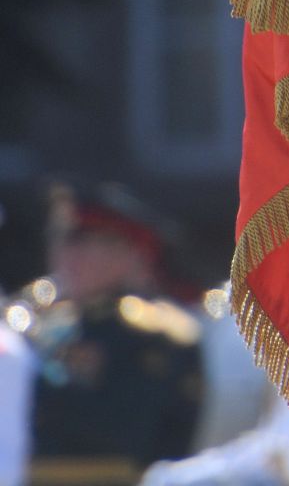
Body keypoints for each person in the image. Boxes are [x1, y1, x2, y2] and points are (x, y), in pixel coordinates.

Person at [15, 182, 204, 485]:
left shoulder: (153, 335)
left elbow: (141, 434)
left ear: (125, 252)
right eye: (60, 238)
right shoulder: (34, 329)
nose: (67, 255)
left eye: (81, 241)